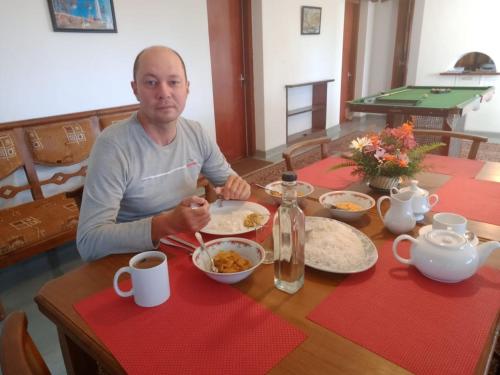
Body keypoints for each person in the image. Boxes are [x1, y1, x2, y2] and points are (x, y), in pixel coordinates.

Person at [77, 46, 250, 261]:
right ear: (135, 89)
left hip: (188, 247)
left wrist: (239, 188)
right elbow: (88, 241)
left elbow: (229, 182)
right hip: (134, 260)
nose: (164, 93)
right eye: (151, 82)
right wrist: (167, 224)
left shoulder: (195, 132)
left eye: (174, 82)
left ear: (187, 87)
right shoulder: (112, 145)